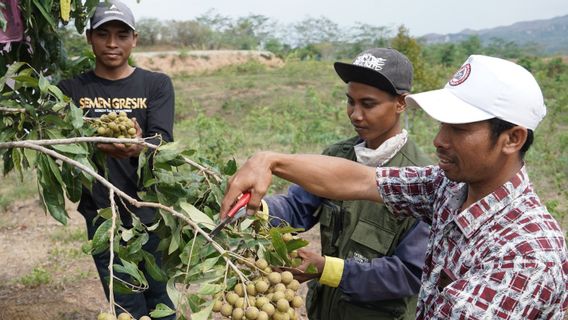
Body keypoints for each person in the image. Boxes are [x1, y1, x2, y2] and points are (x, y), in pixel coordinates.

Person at [221, 55, 568, 318]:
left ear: (512, 139)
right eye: (441, 125)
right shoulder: (448, 187)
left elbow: (405, 274)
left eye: (459, 130)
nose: (439, 140)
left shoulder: (526, 257)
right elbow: (361, 179)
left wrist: (324, 268)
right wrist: (269, 161)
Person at [260, 48, 431, 319]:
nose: (355, 114)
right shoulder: (337, 156)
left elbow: (409, 273)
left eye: (368, 104)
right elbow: (298, 207)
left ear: (401, 103)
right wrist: (257, 210)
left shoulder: (422, 182)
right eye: (350, 101)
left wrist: (325, 269)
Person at [58, 1, 176, 318]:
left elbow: (163, 139)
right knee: (126, 303)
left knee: (162, 299)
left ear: (134, 39)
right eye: (104, 34)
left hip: (149, 210)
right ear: (89, 38)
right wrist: (94, 144)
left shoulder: (157, 84)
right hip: (101, 213)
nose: (112, 44)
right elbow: (61, 145)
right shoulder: (70, 89)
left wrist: (140, 146)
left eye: (122, 35)